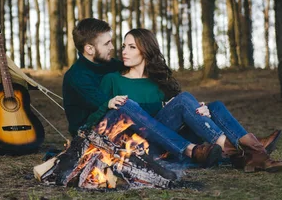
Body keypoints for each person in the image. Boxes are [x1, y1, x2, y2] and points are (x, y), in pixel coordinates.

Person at [98, 28, 282, 173]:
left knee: (214, 107)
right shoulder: (112, 80)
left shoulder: (157, 83)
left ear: (146, 51)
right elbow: (102, 116)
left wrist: (202, 111)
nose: (124, 51)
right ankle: (246, 151)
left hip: (166, 141)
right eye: (124, 46)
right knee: (183, 100)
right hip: (137, 145)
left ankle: (249, 150)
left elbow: (178, 113)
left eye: (132, 47)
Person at [62, 18, 221, 167]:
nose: (114, 48)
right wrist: (160, 105)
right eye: (107, 43)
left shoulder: (109, 64)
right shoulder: (77, 78)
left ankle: (231, 148)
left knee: (199, 104)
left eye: (130, 47)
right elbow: (109, 109)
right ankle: (190, 150)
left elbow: (139, 74)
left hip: (136, 131)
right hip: (95, 135)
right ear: (89, 49)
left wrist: (190, 107)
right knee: (125, 104)